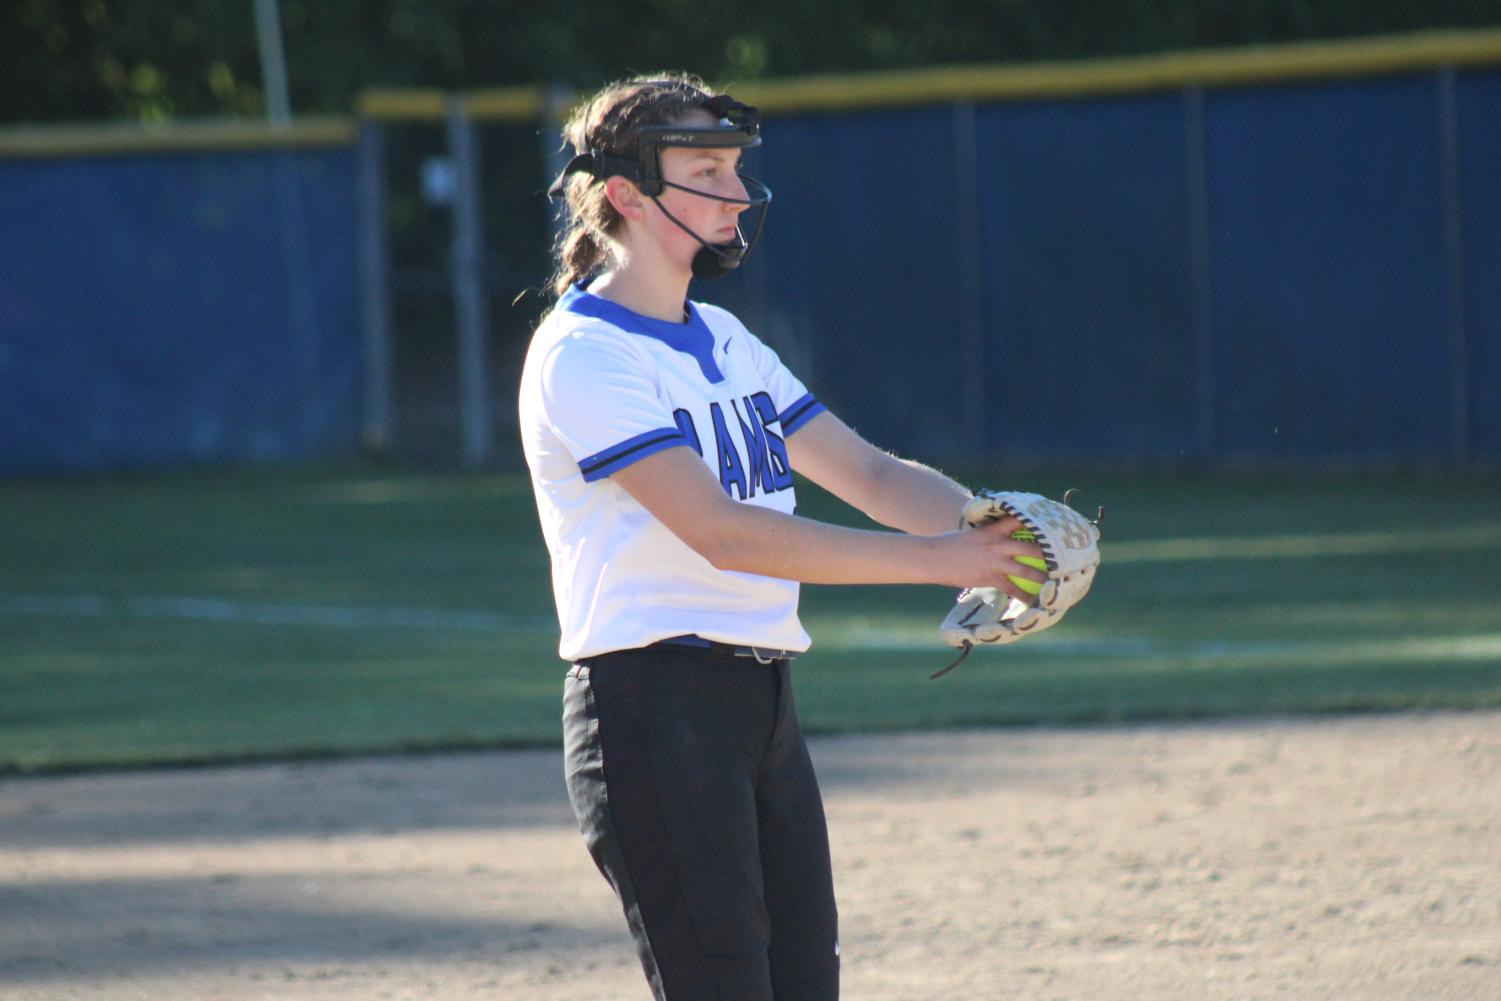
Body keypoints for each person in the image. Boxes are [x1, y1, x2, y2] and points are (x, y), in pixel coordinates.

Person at [518, 72, 1045, 1001]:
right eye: (704, 169)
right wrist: (936, 564)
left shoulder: (722, 338)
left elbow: (872, 474)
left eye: (733, 166)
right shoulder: (584, 354)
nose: (734, 189)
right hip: (650, 708)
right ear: (625, 195)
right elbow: (721, 532)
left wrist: (992, 531)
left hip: (759, 704)